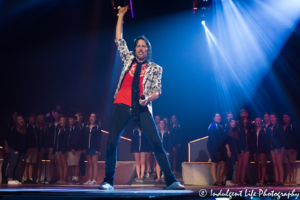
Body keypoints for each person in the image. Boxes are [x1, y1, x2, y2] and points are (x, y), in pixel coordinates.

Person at [99, 6, 184, 190]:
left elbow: (157, 90)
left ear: (147, 50)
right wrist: (121, 15)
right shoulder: (128, 58)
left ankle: (171, 180)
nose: (140, 48)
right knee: (112, 142)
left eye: (143, 46)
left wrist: (149, 99)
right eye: (137, 45)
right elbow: (119, 39)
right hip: (122, 104)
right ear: (135, 48)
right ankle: (108, 180)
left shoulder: (155, 68)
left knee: (156, 142)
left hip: (142, 106)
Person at [207, 113, 231, 186]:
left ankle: (220, 180)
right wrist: (216, 149)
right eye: (217, 116)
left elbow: (224, 139)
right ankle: (215, 181)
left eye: (220, 116)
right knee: (214, 163)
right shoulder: (212, 126)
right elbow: (213, 138)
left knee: (223, 163)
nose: (219, 117)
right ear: (213, 118)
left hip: (221, 147)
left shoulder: (222, 126)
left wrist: (227, 149)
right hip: (214, 147)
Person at [7, 115, 27, 185]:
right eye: (19, 119)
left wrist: (24, 150)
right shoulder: (15, 129)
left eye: (22, 119)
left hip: (20, 150)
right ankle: (10, 179)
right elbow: (13, 140)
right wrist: (15, 149)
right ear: (16, 121)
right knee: (13, 163)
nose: (21, 120)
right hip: (14, 149)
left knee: (18, 165)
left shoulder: (23, 129)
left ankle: (14, 179)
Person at [83, 113, 102, 185]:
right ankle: (90, 179)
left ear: (96, 119)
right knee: (89, 164)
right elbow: (85, 138)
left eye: (93, 117)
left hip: (94, 148)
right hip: (87, 148)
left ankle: (94, 179)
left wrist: (97, 149)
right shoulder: (87, 127)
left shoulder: (97, 127)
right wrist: (84, 148)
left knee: (94, 163)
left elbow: (99, 139)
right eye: (90, 116)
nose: (91, 118)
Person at [267, 113, 284, 185]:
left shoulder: (279, 126)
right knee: (274, 165)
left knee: (279, 164)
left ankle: (281, 180)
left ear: (276, 118)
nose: (272, 119)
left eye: (273, 117)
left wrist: (280, 146)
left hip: (278, 147)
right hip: (272, 147)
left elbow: (282, 137)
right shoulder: (269, 126)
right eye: (270, 117)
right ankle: (276, 180)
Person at [1, 111, 18, 184]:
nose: (15, 116)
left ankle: (11, 177)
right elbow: (4, 136)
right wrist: (6, 145)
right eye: (14, 114)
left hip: (14, 147)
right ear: (11, 115)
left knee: (13, 163)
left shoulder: (17, 125)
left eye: (17, 115)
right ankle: (4, 178)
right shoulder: (7, 124)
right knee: (5, 162)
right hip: (8, 145)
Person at [236, 117, 253, 185]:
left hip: (247, 149)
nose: (245, 121)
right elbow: (238, 140)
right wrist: (239, 150)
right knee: (239, 165)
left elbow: (249, 140)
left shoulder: (247, 129)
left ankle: (242, 180)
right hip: (241, 149)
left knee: (245, 165)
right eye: (244, 120)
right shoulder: (239, 129)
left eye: (246, 119)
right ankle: (238, 181)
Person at [282, 113, 298, 186]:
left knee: (292, 164)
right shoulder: (282, 127)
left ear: (289, 118)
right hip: (285, 149)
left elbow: (295, 137)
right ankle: (288, 179)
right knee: (287, 165)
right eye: (283, 117)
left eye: (286, 117)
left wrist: (293, 147)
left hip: (292, 149)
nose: (284, 118)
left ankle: (294, 180)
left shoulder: (292, 126)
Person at [252, 117, 268, 186]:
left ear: (261, 122)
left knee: (263, 164)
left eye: (259, 120)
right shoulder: (253, 130)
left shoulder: (264, 129)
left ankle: (262, 179)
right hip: (255, 149)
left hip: (262, 149)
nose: (258, 122)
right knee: (257, 164)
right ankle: (258, 178)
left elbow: (266, 140)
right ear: (255, 122)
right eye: (256, 120)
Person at [23, 113, 38, 184]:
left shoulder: (35, 126)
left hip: (35, 147)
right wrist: (27, 147)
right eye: (31, 117)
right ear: (28, 118)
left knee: (32, 163)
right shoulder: (27, 125)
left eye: (34, 117)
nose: (33, 118)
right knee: (27, 163)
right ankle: (26, 178)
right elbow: (25, 137)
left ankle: (31, 178)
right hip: (29, 147)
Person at [47, 109, 61, 184]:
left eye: (57, 114)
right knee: (52, 161)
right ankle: (52, 177)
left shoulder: (61, 124)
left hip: (59, 146)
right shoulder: (51, 125)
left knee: (59, 162)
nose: (55, 115)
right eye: (54, 114)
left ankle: (57, 177)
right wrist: (48, 146)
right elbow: (49, 136)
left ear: (59, 115)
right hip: (52, 146)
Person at [54, 116, 69, 185]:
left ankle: (64, 179)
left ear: (65, 122)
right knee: (59, 164)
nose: (61, 121)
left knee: (64, 164)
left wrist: (66, 149)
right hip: (57, 149)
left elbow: (66, 140)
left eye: (62, 120)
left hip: (63, 149)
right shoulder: (58, 129)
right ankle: (60, 179)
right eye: (60, 120)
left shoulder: (66, 129)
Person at [67, 115, 82, 185]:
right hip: (71, 148)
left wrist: (73, 147)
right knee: (72, 164)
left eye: (71, 119)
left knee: (75, 164)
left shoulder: (77, 128)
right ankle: (73, 178)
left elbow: (76, 138)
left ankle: (76, 178)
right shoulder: (72, 128)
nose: (69, 121)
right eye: (69, 119)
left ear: (75, 120)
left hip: (76, 149)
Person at [224, 118, 238, 186]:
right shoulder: (227, 131)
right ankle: (228, 180)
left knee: (233, 165)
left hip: (234, 151)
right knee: (231, 165)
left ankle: (230, 180)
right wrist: (228, 150)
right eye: (232, 122)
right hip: (230, 150)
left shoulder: (234, 131)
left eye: (234, 122)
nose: (233, 123)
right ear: (229, 123)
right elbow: (226, 141)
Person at [36, 114, 47, 184]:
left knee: (39, 163)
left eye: (42, 117)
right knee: (33, 162)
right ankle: (31, 177)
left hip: (42, 147)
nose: (41, 118)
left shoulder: (45, 128)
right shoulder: (35, 127)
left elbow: (46, 139)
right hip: (35, 146)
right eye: (39, 117)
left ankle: (37, 177)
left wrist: (45, 148)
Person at [75, 112, 86, 183]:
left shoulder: (84, 125)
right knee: (77, 163)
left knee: (82, 162)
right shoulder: (75, 125)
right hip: (76, 147)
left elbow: (84, 137)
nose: (76, 118)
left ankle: (83, 178)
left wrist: (83, 148)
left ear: (81, 117)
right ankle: (77, 178)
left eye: (77, 116)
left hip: (82, 147)